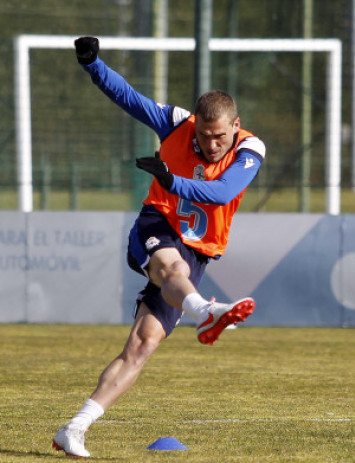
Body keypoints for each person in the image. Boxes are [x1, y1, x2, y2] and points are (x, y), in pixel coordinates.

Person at [53, 36, 266, 458]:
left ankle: (74, 429)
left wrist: (173, 180)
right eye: (204, 136)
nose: (210, 145)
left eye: (219, 136)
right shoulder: (175, 122)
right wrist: (92, 64)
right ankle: (207, 311)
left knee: (143, 343)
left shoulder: (250, 149)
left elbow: (222, 193)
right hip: (158, 224)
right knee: (173, 271)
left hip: (199, 249)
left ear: (235, 125)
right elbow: (129, 98)